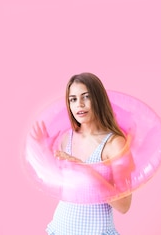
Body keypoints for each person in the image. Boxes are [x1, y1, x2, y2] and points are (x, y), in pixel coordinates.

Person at [33, 72, 134, 234]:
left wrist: (87, 170)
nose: (79, 104)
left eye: (85, 97)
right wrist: (45, 152)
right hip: (61, 228)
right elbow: (64, 188)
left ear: (98, 99)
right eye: (73, 99)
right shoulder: (66, 138)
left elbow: (124, 205)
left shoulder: (114, 143)